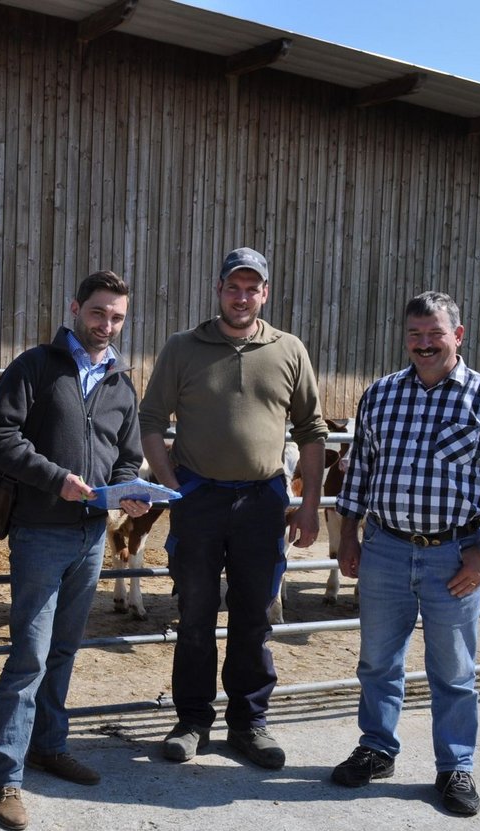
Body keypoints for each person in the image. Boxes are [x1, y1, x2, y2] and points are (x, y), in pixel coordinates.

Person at [330, 290, 480, 816]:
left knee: (454, 670)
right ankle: (376, 748)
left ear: (457, 337)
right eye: (415, 335)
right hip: (386, 550)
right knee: (377, 661)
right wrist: (349, 537)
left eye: (434, 334)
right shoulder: (379, 395)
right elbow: (360, 473)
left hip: (454, 556)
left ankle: (455, 766)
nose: (424, 344)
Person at [139, 247, 328, 769]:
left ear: (265, 293)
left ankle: (249, 723)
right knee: (195, 614)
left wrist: (307, 505)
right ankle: (193, 720)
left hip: (263, 502)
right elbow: (151, 418)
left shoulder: (288, 350)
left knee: (254, 617)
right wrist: (173, 484)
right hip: (200, 499)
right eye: (233, 287)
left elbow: (312, 429)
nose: (241, 296)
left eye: (252, 288)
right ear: (218, 290)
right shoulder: (183, 347)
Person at [0, 270, 148, 831]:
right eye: (98, 312)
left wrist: (128, 495)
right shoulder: (35, 367)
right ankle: (4, 776)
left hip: (92, 532)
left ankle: (48, 744)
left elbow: (127, 455)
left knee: (65, 648)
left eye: (117, 317)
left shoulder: (122, 383)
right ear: (75, 307)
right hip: (42, 531)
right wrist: (56, 480)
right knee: (28, 651)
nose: (106, 325)